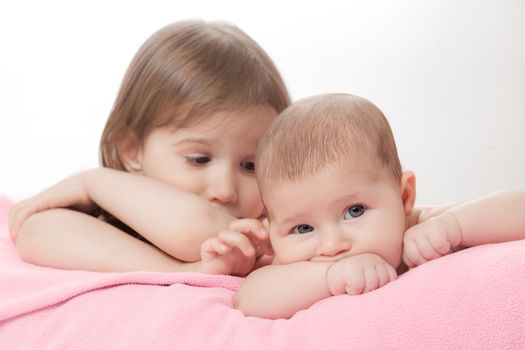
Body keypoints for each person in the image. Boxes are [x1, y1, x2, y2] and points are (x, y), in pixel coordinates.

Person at [203, 93, 525, 319]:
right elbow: (251, 298)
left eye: (354, 211)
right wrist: (330, 277)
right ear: (271, 230)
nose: (332, 245)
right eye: (303, 228)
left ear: (403, 198)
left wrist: (453, 226)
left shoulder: (419, 228)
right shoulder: (299, 267)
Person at [7, 20, 290, 275]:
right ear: (132, 151)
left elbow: (195, 231)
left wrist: (92, 181)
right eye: (199, 159)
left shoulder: (273, 234)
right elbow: (34, 233)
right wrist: (179, 270)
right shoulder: (118, 213)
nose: (225, 190)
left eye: (251, 165)